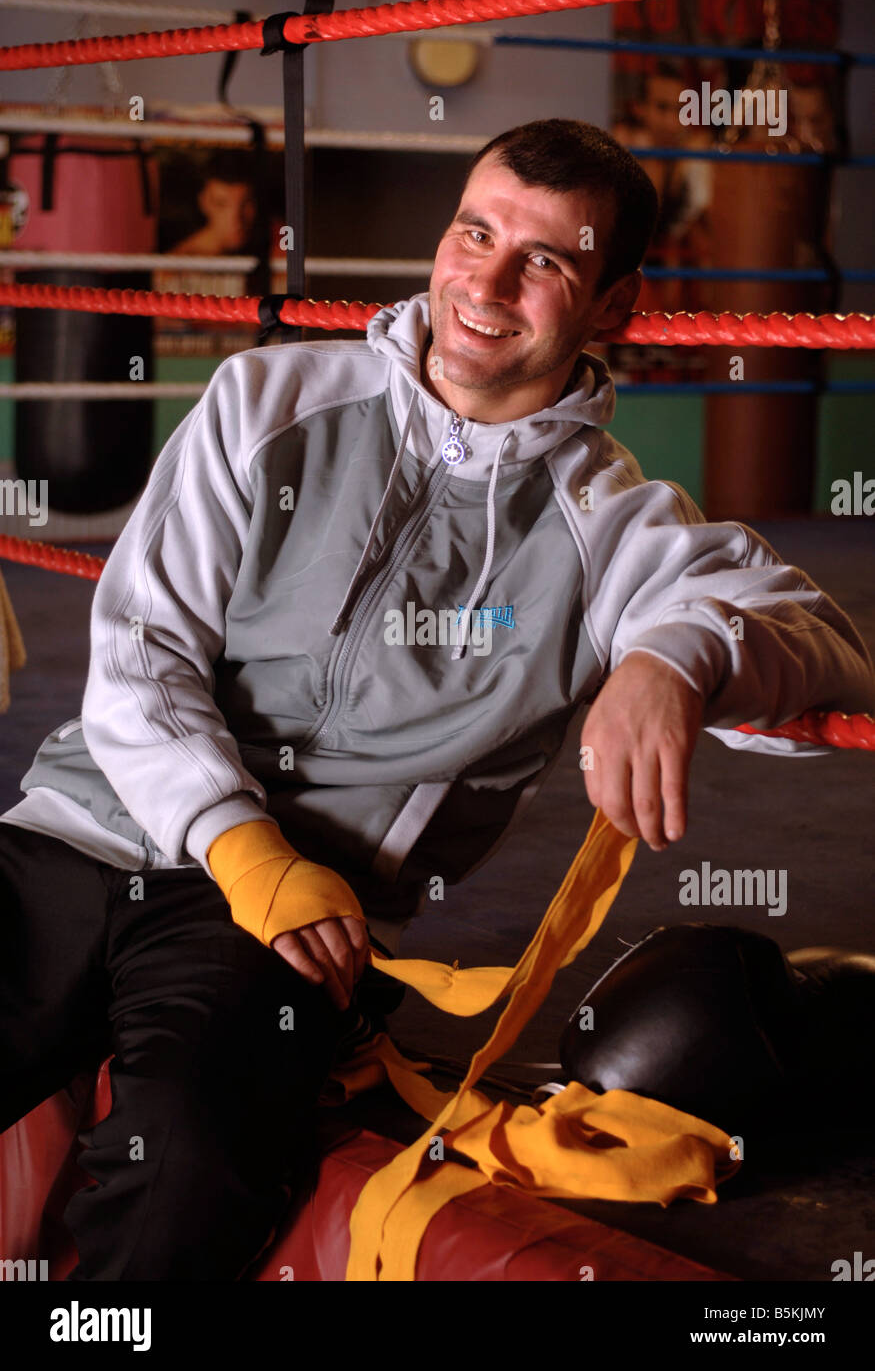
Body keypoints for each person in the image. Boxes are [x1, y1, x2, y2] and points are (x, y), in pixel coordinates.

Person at [1, 119, 872, 1281]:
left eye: (546, 261)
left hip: (298, 927)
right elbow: (140, 646)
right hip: (82, 827)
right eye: (475, 231)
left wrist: (677, 656)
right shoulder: (268, 399)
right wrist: (238, 838)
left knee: (187, 1174)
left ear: (613, 303)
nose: (488, 281)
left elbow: (830, 651)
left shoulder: (611, 525)